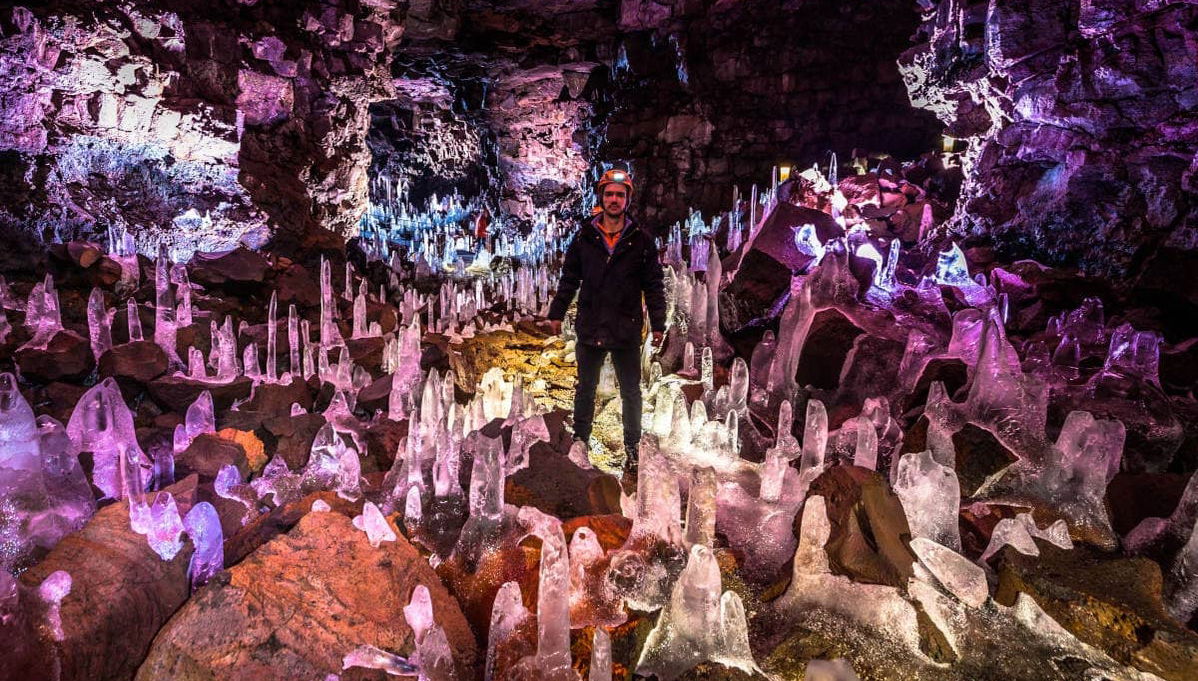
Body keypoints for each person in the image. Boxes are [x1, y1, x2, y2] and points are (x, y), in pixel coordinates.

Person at [546, 169, 667, 488]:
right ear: (601, 197)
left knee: (631, 393)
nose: (614, 200)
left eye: (620, 195)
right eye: (609, 194)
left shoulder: (640, 240)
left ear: (628, 199)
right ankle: (580, 442)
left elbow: (653, 284)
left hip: (626, 328)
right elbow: (570, 277)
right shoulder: (585, 236)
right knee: (585, 388)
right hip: (591, 326)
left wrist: (658, 323)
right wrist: (556, 312)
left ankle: (633, 449)